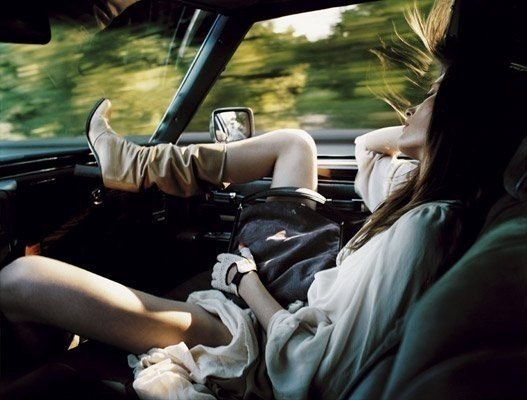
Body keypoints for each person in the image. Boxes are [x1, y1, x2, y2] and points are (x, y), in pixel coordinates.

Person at [0, 0, 525, 398]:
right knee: (296, 143)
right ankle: (133, 166)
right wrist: (427, 140)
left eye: (430, 96)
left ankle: (131, 171)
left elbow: (313, 364)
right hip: (297, 291)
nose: (413, 106)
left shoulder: (424, 225)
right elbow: (367, 146)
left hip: (254, 337)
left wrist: (243, 281)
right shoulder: (421, 190)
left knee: (21, 277)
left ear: (458, 122)